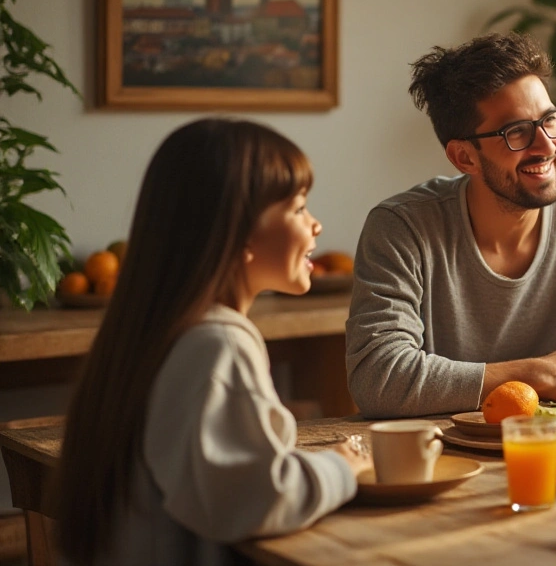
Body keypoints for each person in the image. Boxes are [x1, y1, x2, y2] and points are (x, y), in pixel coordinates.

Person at [57, 119, 369, 565]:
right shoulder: (216, 345)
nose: (315, 225)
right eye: (298, 208)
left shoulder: (157, 331)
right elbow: (251, 499)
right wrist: (344, 466)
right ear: (239, 233)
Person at [346, 32, 556, 417]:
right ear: (464, 157)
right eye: (517, 131)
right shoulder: (403, 228)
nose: (548, 145)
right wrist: (537, 374)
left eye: (550, 119)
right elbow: (378, 377)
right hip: (437, 458)